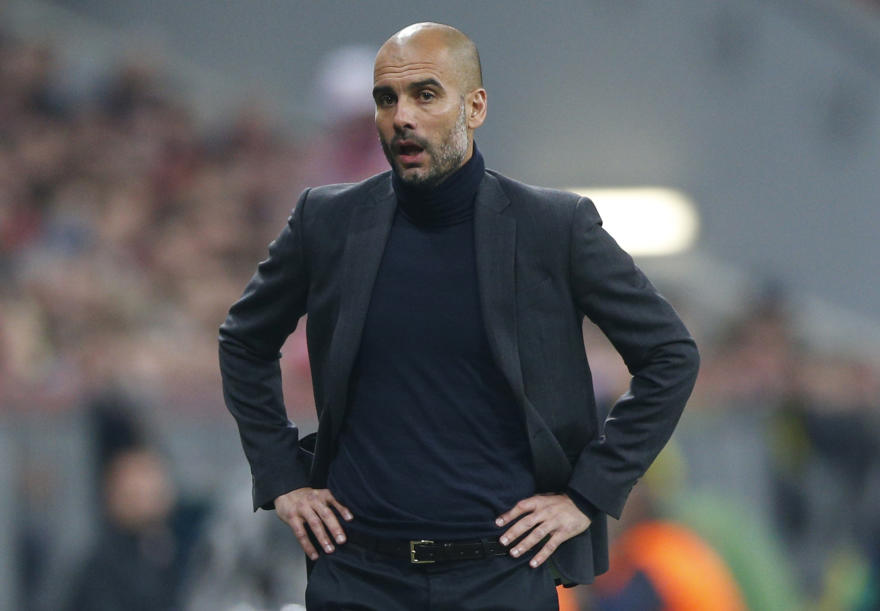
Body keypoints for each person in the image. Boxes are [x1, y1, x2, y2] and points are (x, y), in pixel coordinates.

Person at [219, 22, 699, 610]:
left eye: (425, 95)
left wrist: (586, 494)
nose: (402, 117)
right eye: (386, 99)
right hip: (358, 577)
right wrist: (282, 477)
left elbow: (671, 355)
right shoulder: (326, 221)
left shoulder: (554, 227)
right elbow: (244, 342)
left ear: (475, 107)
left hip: (499, 578)